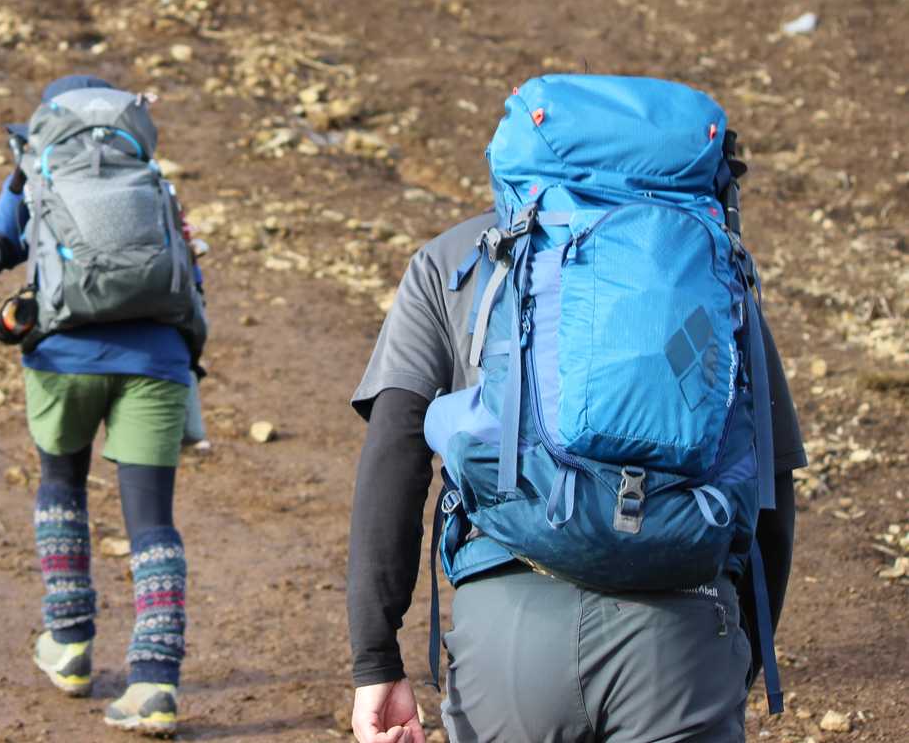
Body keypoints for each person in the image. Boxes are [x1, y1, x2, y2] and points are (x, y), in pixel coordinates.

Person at [346, 78, 807, 743]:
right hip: (681, 629)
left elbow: (394, 458)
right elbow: (772, 486)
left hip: (509, 627)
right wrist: (740, 656)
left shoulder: (454, 260)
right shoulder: (707, 271)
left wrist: (375, 660)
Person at [0, 74, 203, 737]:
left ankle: (70, 642)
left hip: (63, 360)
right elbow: (190, 277)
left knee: (62, 484)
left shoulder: (39, 168)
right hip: (158, 362)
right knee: (152, 522)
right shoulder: (148, 177)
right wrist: (186, 360)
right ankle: (155, 683)